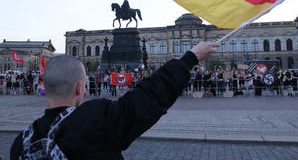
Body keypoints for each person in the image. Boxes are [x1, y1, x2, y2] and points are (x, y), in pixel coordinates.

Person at [10, 41, 219, 159]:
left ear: (44, 86)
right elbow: (148, 96)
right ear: (80, 87)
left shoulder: (21, 142)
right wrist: (189, 58)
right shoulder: (95, 120)